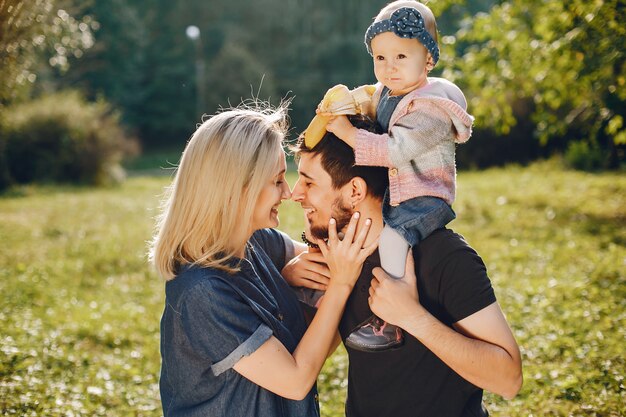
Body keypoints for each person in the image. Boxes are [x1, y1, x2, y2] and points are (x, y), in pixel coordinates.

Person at [149, 104, 377, 417]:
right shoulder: (202, 293)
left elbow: (336, 264)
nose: (288, 193)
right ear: (237, 189)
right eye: (278, 180)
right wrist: (340, 284)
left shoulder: (257, 243)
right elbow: (295, 380)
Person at [290, 118, 522, 417]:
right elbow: (297, 360)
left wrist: (413, 318)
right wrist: (287, 278)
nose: (295, 194)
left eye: (308, 182)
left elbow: (509, 379)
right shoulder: (339, 262)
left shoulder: (443, 256)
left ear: (355, 192)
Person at [318, 0, 475, 351]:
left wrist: (346, 133)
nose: (389, 68)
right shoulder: (392, 92)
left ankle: (398, 312)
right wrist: (347, 108)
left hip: (424, 195)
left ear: (428, 60)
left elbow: (395, 149)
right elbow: (373, 105)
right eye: (380, 58)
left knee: (392, 238)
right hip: (399, 189)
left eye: (401, 57)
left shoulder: (432, 107)